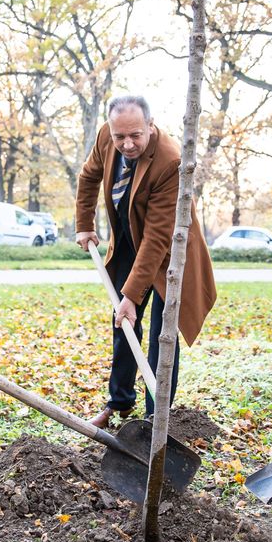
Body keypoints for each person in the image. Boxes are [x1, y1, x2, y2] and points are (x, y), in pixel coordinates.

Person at [75, 95, 216, 428]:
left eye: (135, 135)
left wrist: (132, 295)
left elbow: (156, 238)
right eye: (119, 136)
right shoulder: (105, 137)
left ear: (150, 126)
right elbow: (88, 177)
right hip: (127, 239)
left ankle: (157, 418)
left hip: (169, 251)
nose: (126, 143)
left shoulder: (171, 161)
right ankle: (119, 402)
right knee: (123, 324)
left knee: (162, 335)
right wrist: (84, 224)